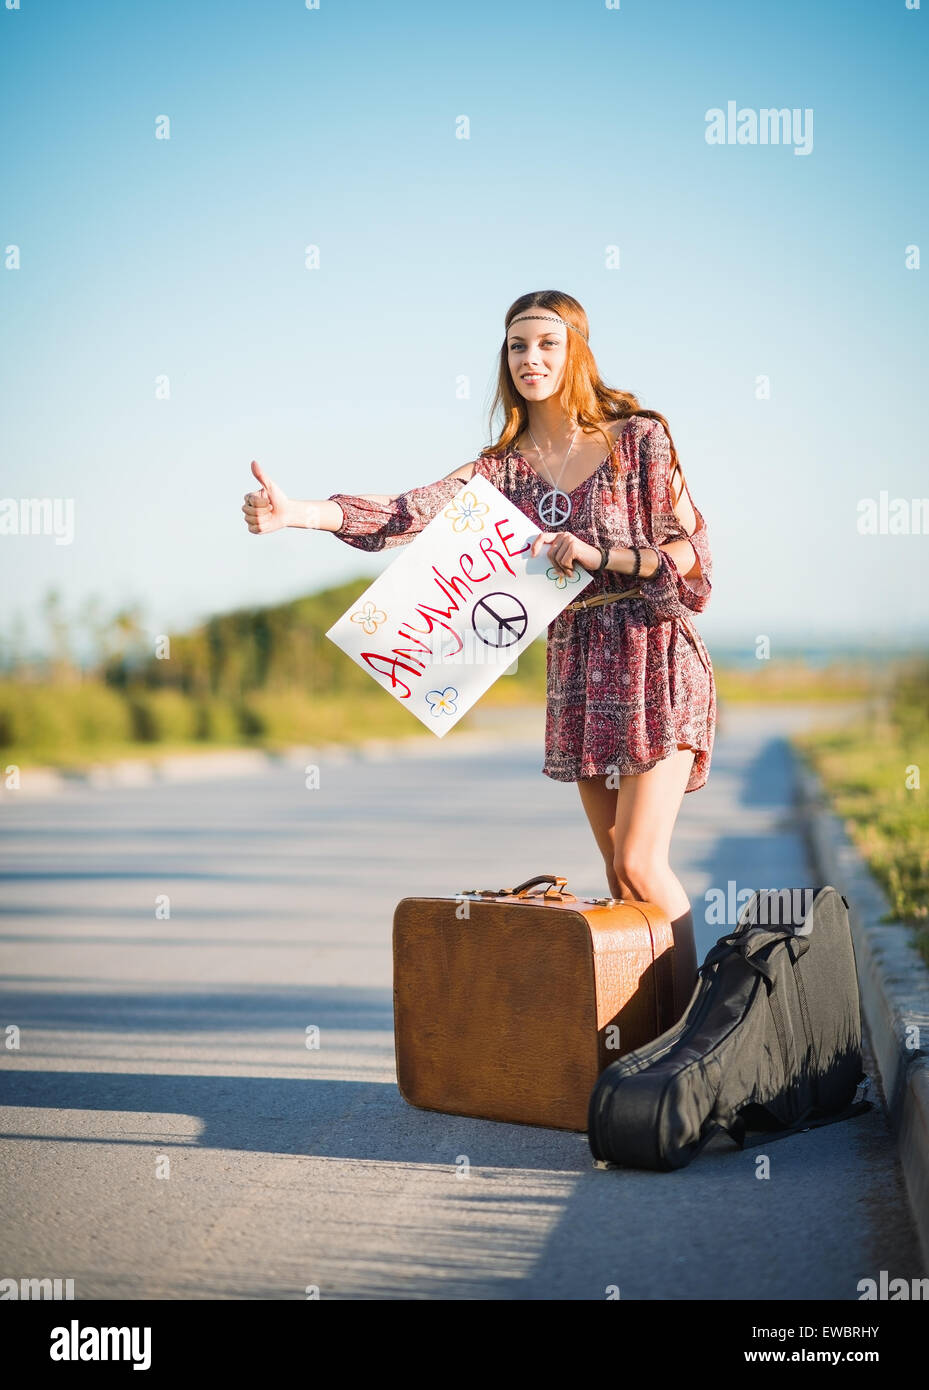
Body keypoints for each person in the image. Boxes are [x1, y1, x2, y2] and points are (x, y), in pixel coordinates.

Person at [241, 290, 716, 1018]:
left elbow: (693, 549)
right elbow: (408, 512)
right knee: (618, 881)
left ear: (577, 352)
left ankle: (695, 1035)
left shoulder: (639, 437)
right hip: (579, 663)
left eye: (547, 344)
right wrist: (299, 514)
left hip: (653, 653)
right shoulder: (504, 470)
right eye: (517, 345)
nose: (530, 358)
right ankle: (648, 1033)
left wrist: (606, 556)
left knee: (636, 860)